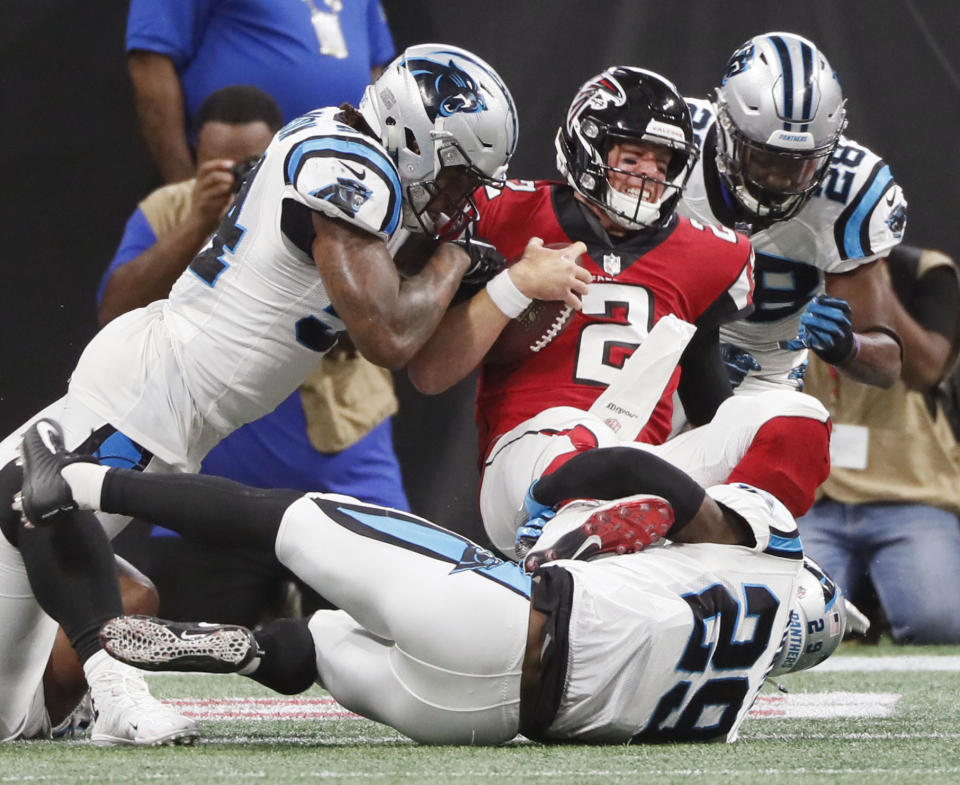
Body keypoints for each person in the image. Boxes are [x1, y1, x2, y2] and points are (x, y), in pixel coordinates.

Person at [0, 45, 573, 746]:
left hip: (172, 396)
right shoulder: (348, 168)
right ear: (413, 135)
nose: (462, 198)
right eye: (456, 175)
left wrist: (507, 288)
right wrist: (455, 261)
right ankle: (119, 695)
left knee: (109, 601)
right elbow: (389, 336)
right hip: (153, 386)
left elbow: (405, 353)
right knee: (38, 498)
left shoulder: (349, 152)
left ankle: (93, 696)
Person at [19, 417, 849, 745]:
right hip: (481, 717)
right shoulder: (723, 714)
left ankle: (78, 484)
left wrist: (547, 498)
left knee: (289, 519)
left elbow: (630, 467)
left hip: (502, 617)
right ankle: (238, 647)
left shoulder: (761, 556)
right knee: (327, 639)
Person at [406, 66, 833, 558]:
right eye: (632, 156)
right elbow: (429, 371)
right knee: (577, 428)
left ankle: (743, 542)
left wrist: (734, 445)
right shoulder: (504, 212)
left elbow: (708, 401)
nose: (650, 174)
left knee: (793, 413)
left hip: (645, 471)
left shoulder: (712, 256)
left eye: (663, 161)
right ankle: (563, 537)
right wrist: (514, 282)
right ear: (587, 148)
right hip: (527, 471)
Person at [100, 83, 409, 626]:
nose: (236, 172)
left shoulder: (344, 192)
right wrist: (200, 221)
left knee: (397, 627)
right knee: (184, 648)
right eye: (215, 163)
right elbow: (114, 312)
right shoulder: (170, 209)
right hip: (212, 496)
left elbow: (386, 328)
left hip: (345, 470)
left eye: (251, 163)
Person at [678, 32, 906, 393]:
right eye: (765, 157)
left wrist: (847, 347)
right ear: (726, 130)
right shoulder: (672, 146)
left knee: (791, 437)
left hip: (762, 373)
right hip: (655, 343)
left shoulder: (848, 195)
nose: (779, 177)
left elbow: (887, 364)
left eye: (799, 163)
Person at [800, 244, 960, 643]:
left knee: (937, 624)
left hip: (909, 488)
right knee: (795, 623)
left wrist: (870, 280)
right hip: (815, 493)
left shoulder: (922, 270)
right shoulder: (789, 266)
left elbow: (925, 371)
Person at [126, 0, 396, 183]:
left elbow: (377, 72)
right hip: (240, 181)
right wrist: (185, 190)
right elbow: (150, 62)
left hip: (347, 181)